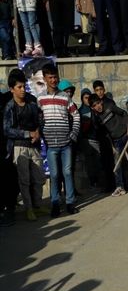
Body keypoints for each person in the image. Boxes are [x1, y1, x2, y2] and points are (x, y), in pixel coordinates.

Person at [3, 69, 47, 221]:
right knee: (24, 181)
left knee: (39, 178)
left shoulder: (32, 102)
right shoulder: (10, 107)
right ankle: (29, 209)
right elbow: (7, 130)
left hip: (34, 146)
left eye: (23, 86)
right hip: (18, 147)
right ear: (12, 89)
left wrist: (37, 132)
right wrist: (28, 134)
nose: (22, 90)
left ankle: (37, 205)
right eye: (19, 87)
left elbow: (40, 120)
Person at [37, 63, 80, 217]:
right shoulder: (40, 99)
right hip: (51, 146)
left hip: (66, 144)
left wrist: (73, 134)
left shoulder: (65, 97)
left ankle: (70, 203)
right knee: (54, 175)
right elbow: (38, 119)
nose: (54, 80)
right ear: (45, 79)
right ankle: (55, 203)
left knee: (67, 173)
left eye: (55, 77)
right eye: (50, 78)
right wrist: (42, 134)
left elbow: (76, 115)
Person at [89, 93, 128, 196]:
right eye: (94, 106)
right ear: (92, 108)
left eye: (98, 103)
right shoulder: (97, 118)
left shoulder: (110, 106)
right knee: (117, 165)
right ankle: (120, 187)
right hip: (116, 141)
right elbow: (104, 133)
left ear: (101, 101)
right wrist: (112, 146)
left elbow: (124, 113)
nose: (98, 107)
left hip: (126, 135)